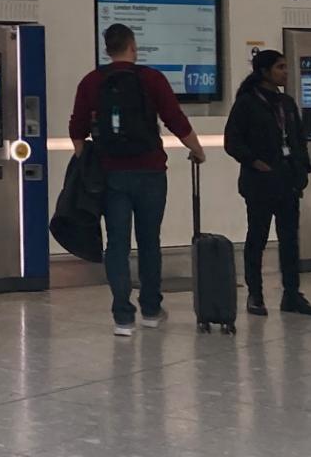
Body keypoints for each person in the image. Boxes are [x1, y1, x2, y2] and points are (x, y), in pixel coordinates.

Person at [69, 22, 208, 336]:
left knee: (117, 243)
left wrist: (88, 161)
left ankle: (122, 317)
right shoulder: (152, 79)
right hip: (150, 172)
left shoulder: (92, 81)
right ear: (133, 47)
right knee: (149, 241)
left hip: (111, 175)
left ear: (107, 49)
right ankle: (151, 310)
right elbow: (175, 119)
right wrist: (197, 150)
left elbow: (77, 127)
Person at [222, 48, 311, 318]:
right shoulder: (247, 103)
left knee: (290, 240)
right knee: (258, 237)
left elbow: (298, 138)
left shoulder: (286, 103)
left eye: (286, 67)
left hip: (288, 181)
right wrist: (254, 161)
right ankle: (255, 294)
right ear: (264, 71)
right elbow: (232, 141)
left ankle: (292, 294)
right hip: (260, 182)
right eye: (280, 67)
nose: (285, 72)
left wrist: (303, 169)